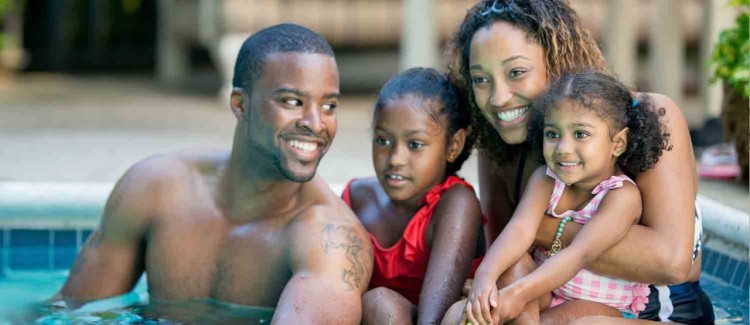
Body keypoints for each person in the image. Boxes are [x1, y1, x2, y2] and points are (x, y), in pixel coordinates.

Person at [53, 23, 373, 324]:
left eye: (329, 106)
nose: (316, 124)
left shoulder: (332, 242)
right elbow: (71, 312)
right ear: (239, 104)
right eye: (292, 101)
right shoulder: (154, 187)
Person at [443, 0, 714, 323]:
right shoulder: (501, 144)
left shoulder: (646, 117)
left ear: (557, 62)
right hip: (557, 298)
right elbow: (508, 255)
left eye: (516, 72)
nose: (499, 98)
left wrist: (541, 230)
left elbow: (669, 261)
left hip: (657, 308)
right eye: (481, 80)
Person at [464, 72, 670, 324]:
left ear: (618, 143)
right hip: (546, 292)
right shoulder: (545, 180)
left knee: (547, 320)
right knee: (512, 269)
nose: (563, 148)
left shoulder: (621, 196)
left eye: (580, 134)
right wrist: (485, 277)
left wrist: (517, 294)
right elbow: (519, 230)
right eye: (552, 134)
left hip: (599, 307)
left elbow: (579, 253)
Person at [342, 68, 484, 324]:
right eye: (383, 140)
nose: (395, 159)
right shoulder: (356, 197)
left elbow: (436, 316)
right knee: (376, 304)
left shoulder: (456, 204)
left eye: (415, 145)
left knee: (381, 304)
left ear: (454, 146)